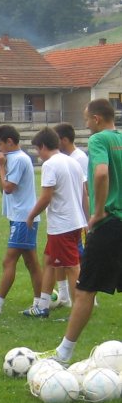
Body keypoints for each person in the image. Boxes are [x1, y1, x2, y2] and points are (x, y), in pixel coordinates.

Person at [42, 99, 122, 364]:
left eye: (87, 119)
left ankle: (63, 354)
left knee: (86, 289)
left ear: (98, 119)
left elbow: (100, 174)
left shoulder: (100, 140)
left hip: (109, 223)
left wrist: (98, 211)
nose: (86, 124)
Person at [0, 125, 41, 316]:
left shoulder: (18, 159)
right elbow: (5, 188)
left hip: (23, 218)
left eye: (1, 144)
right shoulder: (13, 159)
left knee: (8, 260)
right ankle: (40, 304)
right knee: (31, 262)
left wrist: (1, 167)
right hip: (20, 217)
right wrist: (2, 167)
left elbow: (8, 187)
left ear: (10, 142)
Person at [23, 127, 87, 318]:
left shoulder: (50, 165)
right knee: (50, 261)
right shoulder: (73, 162)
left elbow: (46, 197)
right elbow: (84, 193)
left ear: (43, 146)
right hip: (75, 222)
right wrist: (86, 218)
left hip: (62, 225)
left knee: (72, 266)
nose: (37, 154)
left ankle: (78, 310)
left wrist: (31, 215)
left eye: (37, 149)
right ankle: (42, 306)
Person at [53, 122, 91, 307]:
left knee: (77, 258)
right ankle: (64, 296)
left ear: (64, 140)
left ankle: (86, 296)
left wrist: (87, 219)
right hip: (64, 218)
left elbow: (85, 191)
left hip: (74, 219)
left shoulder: (79, 158)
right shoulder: (66, 158)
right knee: (59, 257)